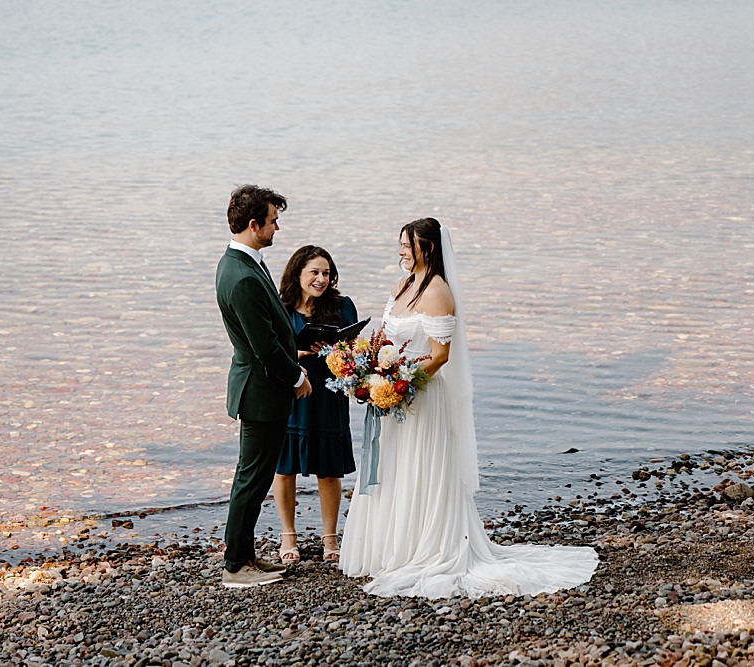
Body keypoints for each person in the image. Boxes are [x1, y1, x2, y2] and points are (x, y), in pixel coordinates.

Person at [340, 217, 598, 599]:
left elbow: (439, 355)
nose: (400, 252)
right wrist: (371, 370)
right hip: (393, 396)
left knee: (420, 469)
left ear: (427, 248)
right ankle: (389, 548)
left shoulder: (439, 292)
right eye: (400, 245)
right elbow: (387, 339)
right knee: (394, 467)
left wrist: (398, 381)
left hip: (422, 396)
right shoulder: (401, 286)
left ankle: (425, 548)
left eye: (407, 246)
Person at [215, 185, 312, 588]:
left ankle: (247, 556)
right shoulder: (241, 276)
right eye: (273, 221)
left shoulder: (245, 263)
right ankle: (236, 565)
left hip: (260, 387)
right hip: (261, 390)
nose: (278, 227)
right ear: (254, 225)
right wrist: (297, 376)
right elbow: (265, 345)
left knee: (254, 476)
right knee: (252, 478)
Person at [272, 246, 358, 564]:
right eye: (314, 272)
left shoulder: (342, 306)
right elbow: (269, 352)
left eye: (326, 273)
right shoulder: (281, 308)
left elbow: (355, 348)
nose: (321, 279)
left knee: (329, 471)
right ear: (298, 273)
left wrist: (343, 350)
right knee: (284, 468)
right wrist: (302, 354)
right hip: (291, 392)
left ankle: (330, 539)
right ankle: (288, 536)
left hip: (329, 393)